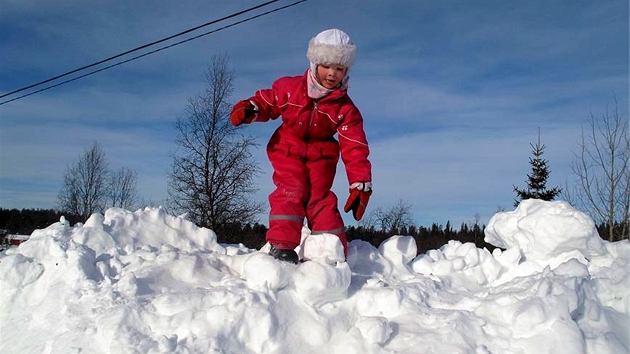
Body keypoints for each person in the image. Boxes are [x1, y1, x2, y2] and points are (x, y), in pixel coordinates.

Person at [229, 28, 372, 264]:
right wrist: (251, 107)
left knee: (320, 198)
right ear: (315, 62)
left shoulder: (346, 109)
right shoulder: (291, 87)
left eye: (339, 68)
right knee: (292, 189)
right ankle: (282, 246)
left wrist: (360, 182)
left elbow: (355, 145)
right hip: (287, 148)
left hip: (322, 156)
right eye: (327, 65)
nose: (332, 73)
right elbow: (269, 101)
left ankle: (329, 248)